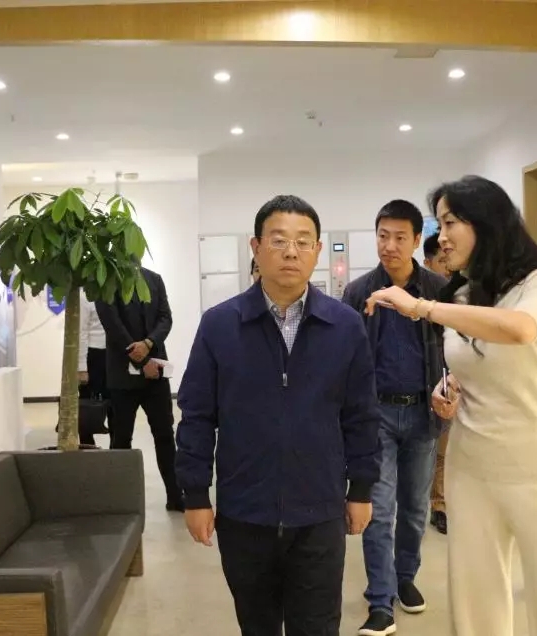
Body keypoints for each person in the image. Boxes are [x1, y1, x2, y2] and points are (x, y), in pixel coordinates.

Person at [364, 175, 537, 636]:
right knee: (476, 595)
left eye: (450, 222)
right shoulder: (462, 293)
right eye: (439, 224)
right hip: (472, 462)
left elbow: (519, 329)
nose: (441, 236)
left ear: (486, 222)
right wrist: (451, 384)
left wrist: (421, 307)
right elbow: (477, 360)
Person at [175, 194, 382, 636]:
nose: (292, 252)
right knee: (257, 625)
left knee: (318, 627)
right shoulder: (219, 325)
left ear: (317, 251)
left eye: (304, 241)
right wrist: (195, 495)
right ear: (256, 247)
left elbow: (361, 415)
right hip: (245, 513)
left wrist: (362, 488)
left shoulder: (344, 326)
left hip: (320, 511)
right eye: (279, 240)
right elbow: (196, 415)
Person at [342, 200, 450, 636]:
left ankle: (405, 577)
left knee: (415, 507)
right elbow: (347, 359)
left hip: (424, 413)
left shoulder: (438, 290)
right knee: (379, 509)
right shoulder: (358, 293)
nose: (389, 245)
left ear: (417, 240)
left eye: (399, 237)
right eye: (382, 236)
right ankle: (380, 599)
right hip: (376, 416)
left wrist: (451, 390)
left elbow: (456, 351)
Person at [95, 265, 184, 511]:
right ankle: (120, 500)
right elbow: (112, 325)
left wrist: (149, 342)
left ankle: (175, 496)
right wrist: (141, 360)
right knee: (121, 438)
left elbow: (165, 318)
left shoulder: (154, 279)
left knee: (165, 435)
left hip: (156, 374)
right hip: (123, 376)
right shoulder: (107, 281)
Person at [421, 233, 452, 535]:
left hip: (457, 384)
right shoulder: (419, 301)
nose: (448, 265)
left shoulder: (459, 294)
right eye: (442, 261)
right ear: (428, 262)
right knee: (436, 452)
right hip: (429, 386)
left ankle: (444, 505)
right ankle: (436, 504)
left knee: (449, 451)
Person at [77, 290, 108, 446]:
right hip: (93, 354)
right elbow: (81, 332)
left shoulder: (112, 292)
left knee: (114, 402)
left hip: (113, 353)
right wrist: (82, 367)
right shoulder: (85, 296)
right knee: (86, 403)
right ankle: (87, 445)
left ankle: (116, 448)